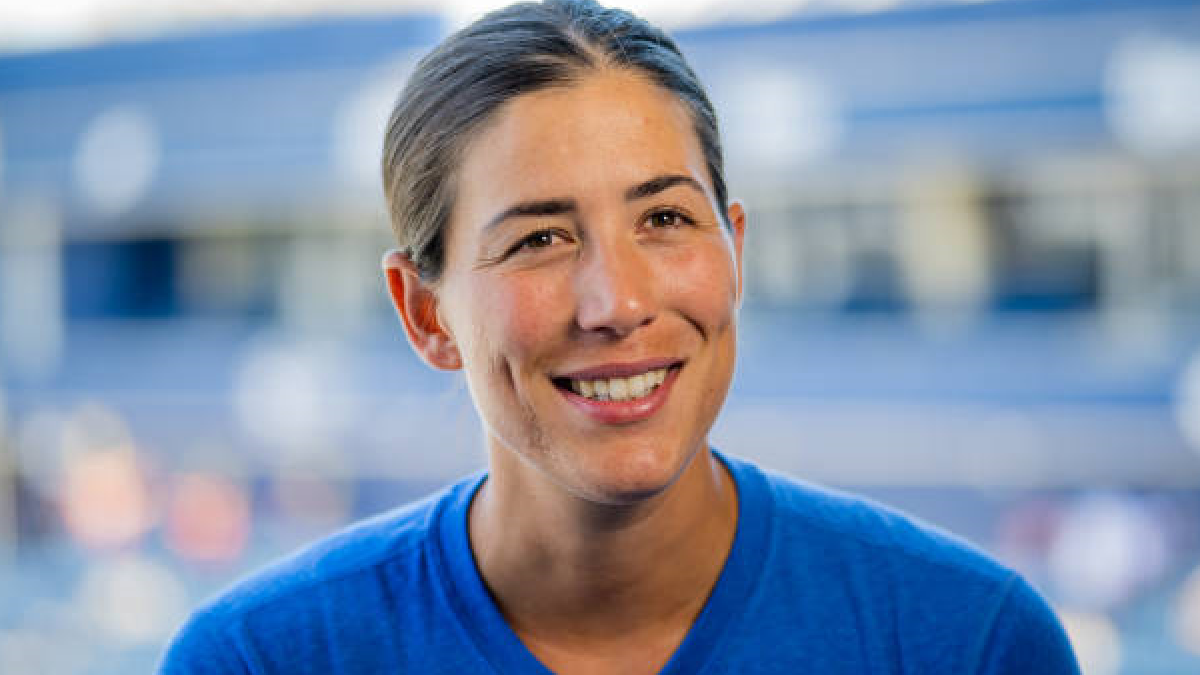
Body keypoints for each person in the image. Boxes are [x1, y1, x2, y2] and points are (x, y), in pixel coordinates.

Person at [159, 1, 1081, 673]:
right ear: (426, 314)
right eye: (540, 239)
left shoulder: (966, 642)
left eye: (666, 220)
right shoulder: (262, 660)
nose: (617, 301)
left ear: (736, 250)